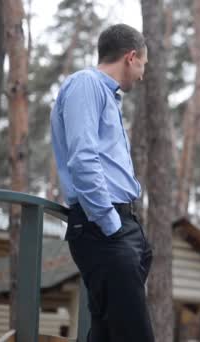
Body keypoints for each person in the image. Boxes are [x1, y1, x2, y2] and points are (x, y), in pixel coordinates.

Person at [50, 24, 153, 342]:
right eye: (143, 66)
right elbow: (83, 160)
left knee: (107, 334)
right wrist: (111, 224)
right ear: (131, 57)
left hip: (122, 227)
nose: (142, 74)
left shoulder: (106, 96)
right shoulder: (86, 84)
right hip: (103, 228)